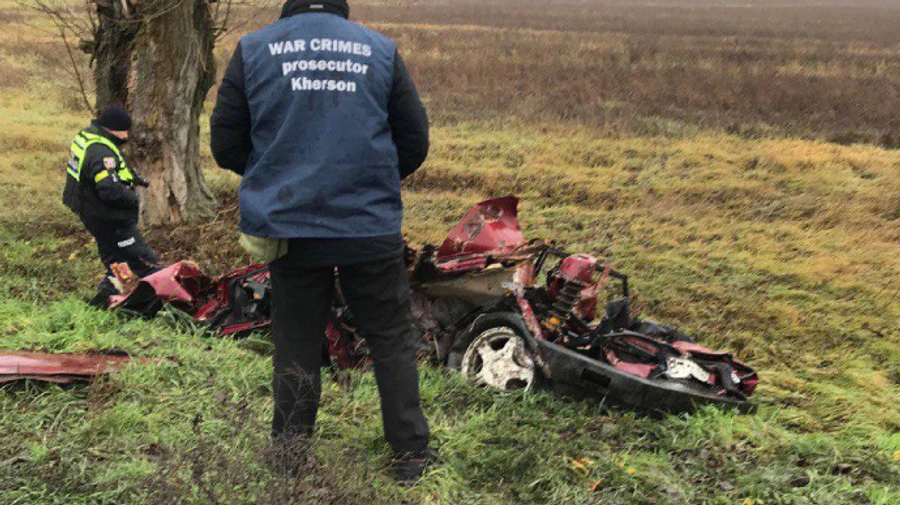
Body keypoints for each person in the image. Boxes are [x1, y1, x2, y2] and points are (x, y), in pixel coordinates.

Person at [209, 0, 433, 483]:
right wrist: (372, 183)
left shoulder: (253, 49)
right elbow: (414, 140)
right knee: (391, 339)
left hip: (291, 226)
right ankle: (410, 457)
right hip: (368, 228)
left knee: (296, 343)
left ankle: (290, 457)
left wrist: (275, 173)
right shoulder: (381, 50)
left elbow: (225, 143)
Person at [62, 106, 158, 308]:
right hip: (109, 218)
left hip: (92, 213)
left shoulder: (88, 137)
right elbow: (108, 189)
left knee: (115, 262)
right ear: (112, 129)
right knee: (143, 261)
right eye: (124, 131)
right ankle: (162, 304)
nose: (127, 135)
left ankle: (102, 303)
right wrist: (132, 198)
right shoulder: (101, 152)